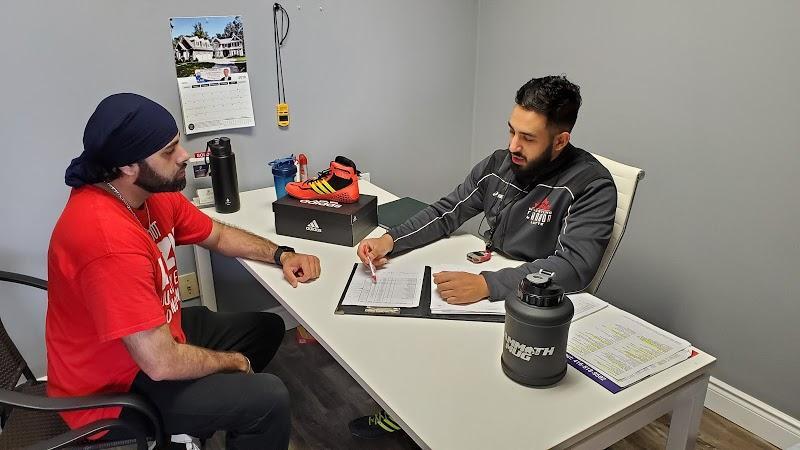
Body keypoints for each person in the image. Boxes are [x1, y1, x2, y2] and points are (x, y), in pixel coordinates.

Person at [47, 93, 321, 449]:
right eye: (168, 151)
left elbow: (218, 235)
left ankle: (206, 421)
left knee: (266, 330)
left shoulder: (150, 192)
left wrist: (281, 254)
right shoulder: (106, 240)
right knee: (268, 401)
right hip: (113, 393)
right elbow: (160, 364)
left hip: (154, 338)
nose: (184, 156)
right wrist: (233, 362)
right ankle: (216, 419)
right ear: (128, 166)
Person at [350, 75, 617, 438]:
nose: (513, 146)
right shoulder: (499, 164)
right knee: (411, 321)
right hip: (492, 278)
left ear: (560, 141)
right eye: (511, 131)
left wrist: (488, 285)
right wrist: (391, 239)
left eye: (527, 138)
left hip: (532, 307)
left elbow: (574, 267)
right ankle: (412, 414)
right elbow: (447, 211)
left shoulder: (592, 185)